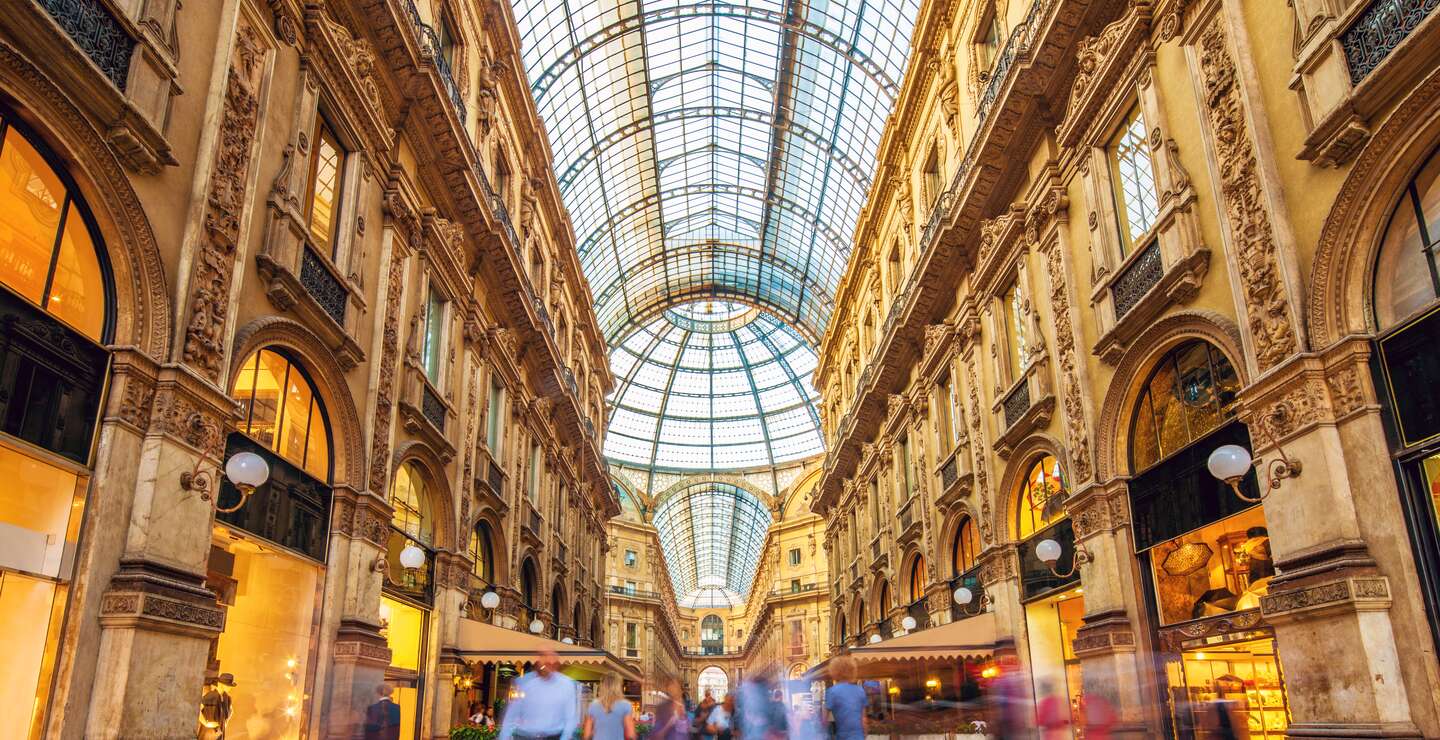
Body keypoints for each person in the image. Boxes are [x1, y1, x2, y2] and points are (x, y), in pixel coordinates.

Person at [499, 648, 581, 740]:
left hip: (553, 737)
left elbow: (570, 718)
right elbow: (511, 715)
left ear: (556, 664)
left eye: (549, 661)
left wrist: (565, 738)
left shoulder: (566, 685)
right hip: (525, 737)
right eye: (542, 657)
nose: (545, 663)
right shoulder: (524, 682)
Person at [823, 656, 867, 740]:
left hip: (843, 736)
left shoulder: (832, 692)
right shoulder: (860, 690)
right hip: (858, 736)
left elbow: (824, 720)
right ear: (852, 671)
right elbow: (864, 719)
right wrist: (864, 735)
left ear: (834, 672)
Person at [584, 674, 635, 740]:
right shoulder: (625, 705)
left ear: (602, 686)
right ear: (618, 687)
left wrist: (596, 731)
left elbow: (586, 735)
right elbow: (631, 734)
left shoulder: (593, 705)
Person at [197, 673, 236, 740]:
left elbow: (231, 711)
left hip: (219, 734)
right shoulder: (211, 695)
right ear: (221, 684)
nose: (230, 688)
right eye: (228, 685)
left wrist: (225, 723)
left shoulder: (227, 698)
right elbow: (196, 708)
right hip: (208, 734)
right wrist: (205, 723)